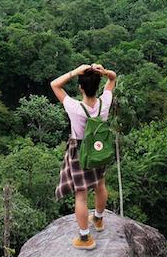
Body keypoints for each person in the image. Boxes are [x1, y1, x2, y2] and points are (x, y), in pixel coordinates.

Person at [50, 63, 117, 250]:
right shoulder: (105, 102)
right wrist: (104, 72)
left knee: (81, 194)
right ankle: (98, 219)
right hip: (99, 149)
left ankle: (85, 238)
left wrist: (74, 72)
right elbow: (113, 78)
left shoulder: (74, 107)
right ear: (97, 86)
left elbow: (55, 85)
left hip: (80, 151)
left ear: (80, 88)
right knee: (100, 184)